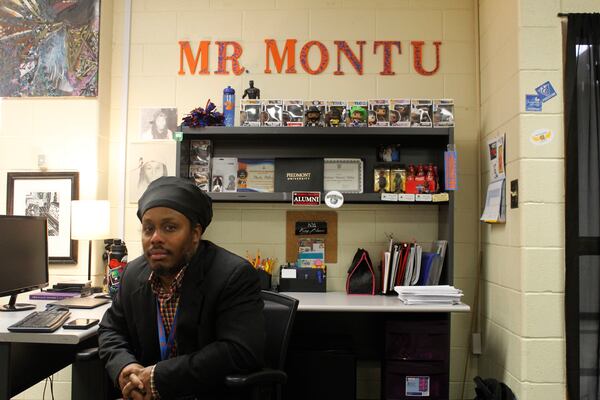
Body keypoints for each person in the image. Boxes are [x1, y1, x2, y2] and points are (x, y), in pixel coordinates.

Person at [98, 176, 265, 400]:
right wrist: (124, 367)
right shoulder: (133, 273)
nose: (155, 238)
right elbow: (111, 329)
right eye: (148, 229)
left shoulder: (232, 275)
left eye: (169, 227)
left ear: (195, 234)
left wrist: (158, 378)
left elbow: (240, 350)